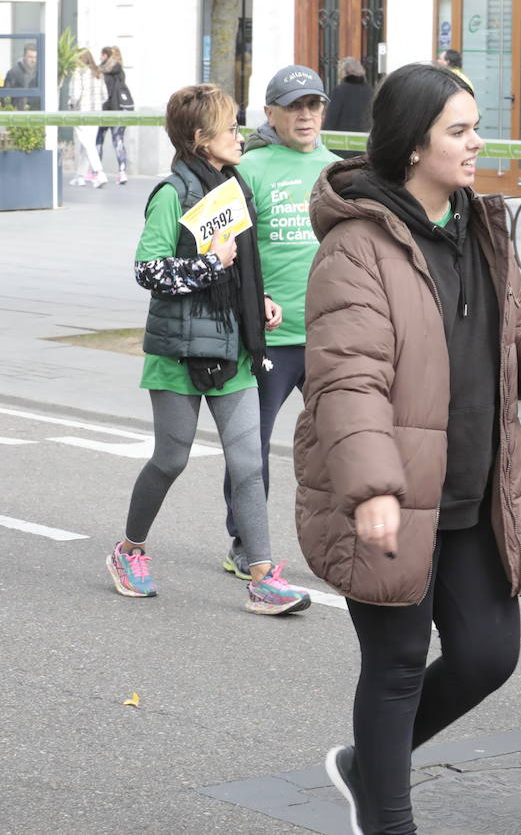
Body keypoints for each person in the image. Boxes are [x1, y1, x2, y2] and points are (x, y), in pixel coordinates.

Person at [298, 62, 521, 835]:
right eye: (459, 131)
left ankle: (369, 762)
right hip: (390, 491)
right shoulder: (358, 247)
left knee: (489, 657)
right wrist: (373, 488)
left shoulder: (482, 227)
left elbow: (506, 337)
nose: (476, 143)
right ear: (412, 146)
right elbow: (346, 378)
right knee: (395, 665)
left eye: (474, 126)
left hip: (475, 487)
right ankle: (387, 814)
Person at [108, 83, 311, 616]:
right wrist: (208, 265)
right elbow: (147, 270)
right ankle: (129, 551)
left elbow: (240, 266)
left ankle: (263, 576)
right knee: (170, 459)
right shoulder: (171, 194)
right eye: (229, 128)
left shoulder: (233, 186)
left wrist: (257, 299)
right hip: (179, 353)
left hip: (234, 348)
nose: (239, 136)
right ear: (201, 139)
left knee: (248, 462)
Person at [219, 64, 341, 579]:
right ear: (270, 114)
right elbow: (220, 249)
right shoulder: (249, 169)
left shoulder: (339, 170)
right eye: (294, 107)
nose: (306, 115)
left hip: (331, 336)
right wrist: (253, 294)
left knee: (345, 441)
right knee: (252, 450)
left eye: (313, 105)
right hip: (269, 339)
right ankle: (246, 542)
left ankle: (347, 537)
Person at [68, 48, 106, 188]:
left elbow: (75, 95)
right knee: (87, 144)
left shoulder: (78, 73)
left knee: (88, 144)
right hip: (96, 113)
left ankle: (99, 173)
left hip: (81, 113)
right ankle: (80, 176)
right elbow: (105, 95)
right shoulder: (97, 73)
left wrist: (71, 104)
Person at [96, 46, 132, 185]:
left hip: (106, 110)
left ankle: (97, 172)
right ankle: (122, 172)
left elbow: (105, 94)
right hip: (119, 110)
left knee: (99, 139)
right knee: (118, 141)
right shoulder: (120, 71)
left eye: (102, 55)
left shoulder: (104, 73)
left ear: (106, 56)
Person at [324, 56, 373, 154]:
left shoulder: (339, 90)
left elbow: (330, 120)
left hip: (340, 147)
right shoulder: (370, 91)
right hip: (363, 147)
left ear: (344, 72)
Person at [3, 43, 38, 109]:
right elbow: (5, 97)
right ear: (24, 56)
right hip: (17, 113)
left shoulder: (40, 73)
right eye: (30, 57)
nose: (33, 60)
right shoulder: (13, 73)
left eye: (35, 57)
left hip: (36, 112)